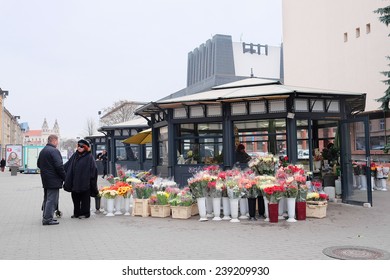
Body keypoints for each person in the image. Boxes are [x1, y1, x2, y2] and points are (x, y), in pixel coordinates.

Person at [64, 139, 98, 219]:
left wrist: (92, 181)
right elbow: (68, 165)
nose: (79, 148)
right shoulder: (75, 155)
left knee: (85, 199)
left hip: (85, 182)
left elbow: (94, 169)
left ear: (85, 148)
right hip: (75, 182)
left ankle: (85, 213)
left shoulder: (89, 156)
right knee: (75, 198)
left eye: (81, 146)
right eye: (78, 146)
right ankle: (76, 213)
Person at [37, 134, 66, 226]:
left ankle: (45, 216)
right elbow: (59, 166)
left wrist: (46, 170)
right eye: (57, 141)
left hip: (45, 179)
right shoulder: (54, 151)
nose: (57, 143)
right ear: (54, 141)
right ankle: (48, 219)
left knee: (47, 198)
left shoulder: (43, 151)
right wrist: (65, 177)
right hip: (54, 179)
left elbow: (38, 164)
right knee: (51, 199)